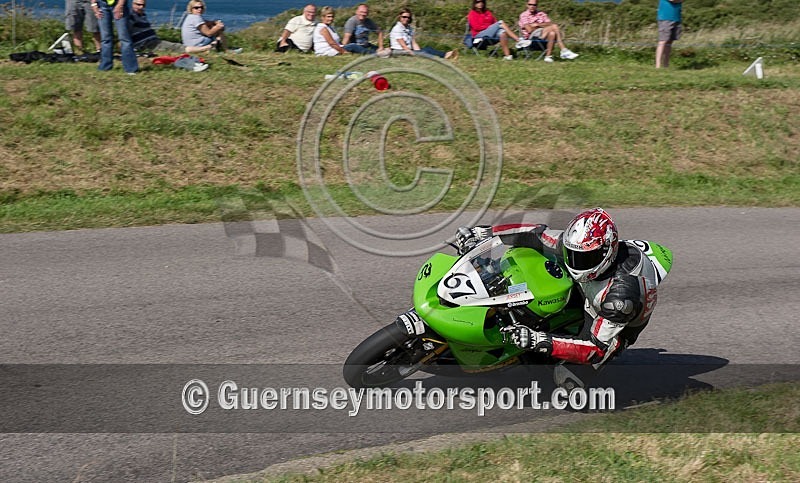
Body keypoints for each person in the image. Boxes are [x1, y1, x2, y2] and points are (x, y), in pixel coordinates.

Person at [455, 208, 668, 386]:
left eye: (585, 258)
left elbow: (593, 348)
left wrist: (540, 340)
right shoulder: (574, 247)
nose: (576, 262)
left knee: (567, 384)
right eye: (572, 254)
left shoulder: (620, 298)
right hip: (588, 287)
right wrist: (485, 233)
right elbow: (535, 233)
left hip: (605, 318)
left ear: (606, 253)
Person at [129, 0, 208, 53]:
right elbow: (126, 33)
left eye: (143, 5)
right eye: (138, 5)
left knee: (173, 45)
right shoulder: (131, 16)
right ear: (133, 4)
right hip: (146, 44)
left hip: (153, 41)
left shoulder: (142, 15)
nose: (141, 7)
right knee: (177, 47)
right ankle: (206, 48)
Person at [389, 8, 458, 60]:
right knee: (424, 52)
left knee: (427, 48)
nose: (406, 19)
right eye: (404, 17)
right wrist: (414, 54)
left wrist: (418, 51)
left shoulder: (409, 28)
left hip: (408, 50)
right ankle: (441, 57)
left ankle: (445, 55)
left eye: (408, 17)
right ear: (400, 17)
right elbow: (403, 46)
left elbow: (413, 43)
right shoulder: (397, 28)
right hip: (399, 51)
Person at [92, 0, 138, 74]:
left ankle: (130, 68)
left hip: (118, 2)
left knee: (124, 38)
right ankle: (105, 66)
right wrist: (93, 4)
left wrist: (120, 5)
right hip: (102, 4)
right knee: (105, 38)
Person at [656, 0, 683, 68]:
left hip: (676, 17)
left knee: (669, 42)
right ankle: (658, 66)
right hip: (665, 17)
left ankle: (666, 65)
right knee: (663, 41)